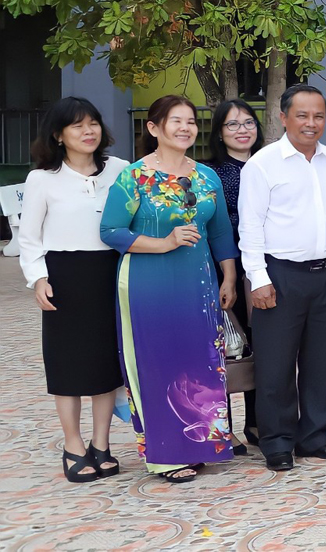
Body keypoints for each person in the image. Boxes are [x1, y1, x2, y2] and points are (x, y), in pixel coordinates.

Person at [98, 95, 239, 483]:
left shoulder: (206, 176)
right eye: (175, 120)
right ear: (154, 128)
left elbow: (220, 231)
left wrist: (228, 276)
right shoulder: (134, 177)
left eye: (191, 121)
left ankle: (202, 444)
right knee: (157, 363)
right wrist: (164, 242)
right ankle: (166, 454)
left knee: (200, 362)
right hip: (149, 283)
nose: (184, 128)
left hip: (199, 283)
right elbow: (111, 231)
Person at [239, 84, 326, 472]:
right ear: (283, 117)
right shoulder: (263, 164)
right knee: (276, 365)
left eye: (318, 115)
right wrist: (258, 278)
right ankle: (277, 440)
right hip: (280, 275)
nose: (311, 123)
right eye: (302, 115)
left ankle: (315, 436)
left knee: (321, 361)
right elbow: (250, 226)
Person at [21, 97, 128, 483]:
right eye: (78, 126)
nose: (89, 131)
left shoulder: (120, 169)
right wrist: (39, 277)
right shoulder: (42, 179)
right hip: (65, 276)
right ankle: (73, 445)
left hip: (111, 273)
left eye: (94, 123)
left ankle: (102, 444)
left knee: (105, 364)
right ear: (58, 135)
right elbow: (30, 238)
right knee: (67, 365)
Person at [205, 99, 261, 450]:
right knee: (225, 347)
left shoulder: (270, 164)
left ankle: (256, 423)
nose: (243, 130)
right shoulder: (210, 172)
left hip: (264, 267)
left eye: (248, 122)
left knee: (260, 347)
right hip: (224, 266)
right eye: (232, 125)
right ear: (219, 133)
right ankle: (222, 427)